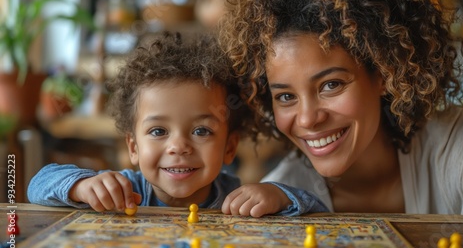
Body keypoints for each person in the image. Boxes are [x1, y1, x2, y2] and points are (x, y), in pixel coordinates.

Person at [218, 0, 463, 217]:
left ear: (383, 73)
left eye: (331, 85)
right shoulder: (279, 200)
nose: (306, 119)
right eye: (286, 96)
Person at [28, 32, 328, 217]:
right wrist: (82, 186)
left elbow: (319, 210)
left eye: (201, 131)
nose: (179, 147)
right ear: (133, 146)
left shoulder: (237, 198)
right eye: (158, 131)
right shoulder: (121, 192)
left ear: (229, 147)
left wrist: (278, 195)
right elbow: (37, 186)